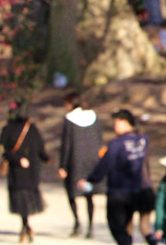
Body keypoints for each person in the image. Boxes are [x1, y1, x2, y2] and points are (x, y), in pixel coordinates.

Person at [79, 109, 149, 245]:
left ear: (125, 122)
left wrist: (90, 180)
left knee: (116, 227)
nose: (114, 126)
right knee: (127, 226)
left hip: (118, 192)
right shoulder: (142, 141)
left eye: (117, 122)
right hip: (135, 191)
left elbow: (104, 166)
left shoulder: (116, 144)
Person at [0, 102, 49, 243]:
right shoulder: (32, 129)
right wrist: (47, 159)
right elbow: (41, 149)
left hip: (17, 172)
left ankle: (25, 227)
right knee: (27, 201)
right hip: (32, 172)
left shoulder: (8, 129)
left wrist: (16, 159)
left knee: (21, 202)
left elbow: (4, 151)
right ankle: (26, 226)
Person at [59, 92, 105, 238]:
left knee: (72, 193)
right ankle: (90, 226)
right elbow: (99, 141)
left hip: (75, 162)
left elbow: (66, 145)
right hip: (92, 163)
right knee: (89, 194)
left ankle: (77, 222)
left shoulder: (69, 120)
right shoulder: (94, 117)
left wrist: (63, 166)